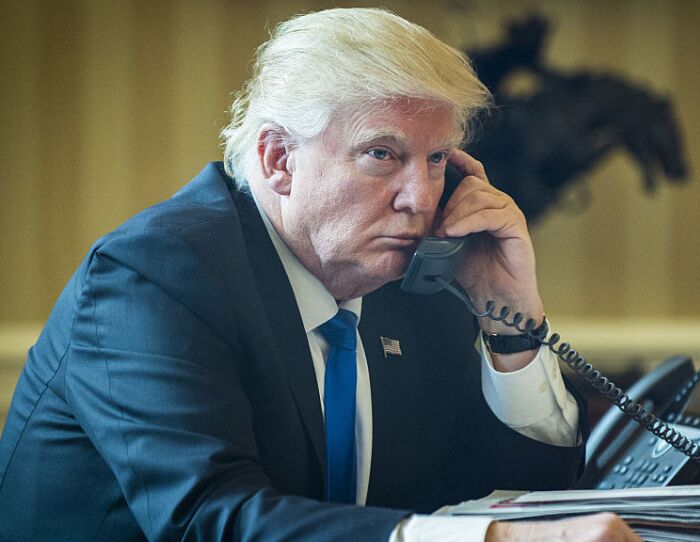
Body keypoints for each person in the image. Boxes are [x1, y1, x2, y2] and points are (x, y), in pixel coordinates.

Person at [0, 7, 641, 542]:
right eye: (382, 154)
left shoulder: (412, 281)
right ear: (279, 159)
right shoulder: (156, 276)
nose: (420, 198)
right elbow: (207, 518)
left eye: (438, 158)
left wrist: (510, 326)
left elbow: (529, 497)